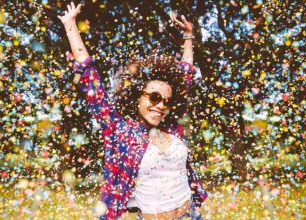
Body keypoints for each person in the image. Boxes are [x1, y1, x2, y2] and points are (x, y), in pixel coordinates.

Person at [58, 2, 207, 219]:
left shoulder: (172, 129)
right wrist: (70, 25)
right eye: (154, 97)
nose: (161, 105)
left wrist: (188, 37)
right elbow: (89, 76)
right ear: (137, 97)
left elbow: (185, 73)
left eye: (166, 101)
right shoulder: (119, 130)